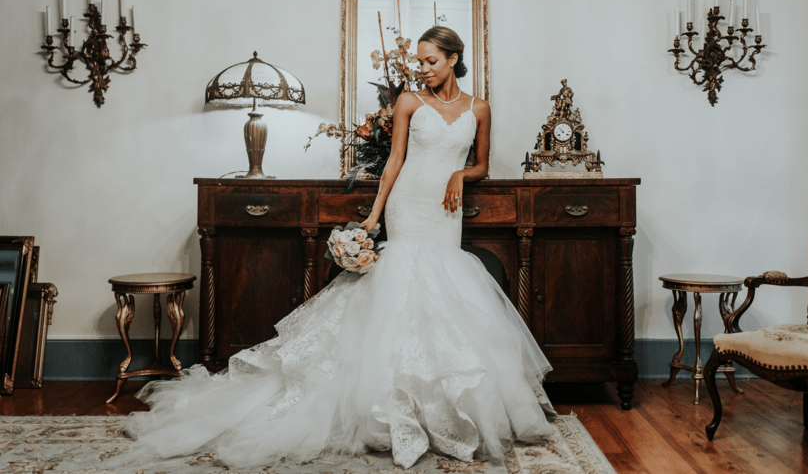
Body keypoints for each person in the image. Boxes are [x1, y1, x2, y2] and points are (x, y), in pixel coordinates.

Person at [121, 26, 556, 471]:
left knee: (444, 289)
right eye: (420, 61)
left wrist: (461, 176)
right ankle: (385, 409)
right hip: (408, 203)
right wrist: (374, 216)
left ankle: (439, 409)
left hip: (447, 208)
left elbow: (480, 162)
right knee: (400, 283)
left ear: (453, 58)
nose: (423, 69)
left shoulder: (478, 107)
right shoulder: (408, 101)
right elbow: (395, 161)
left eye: (431, 61)